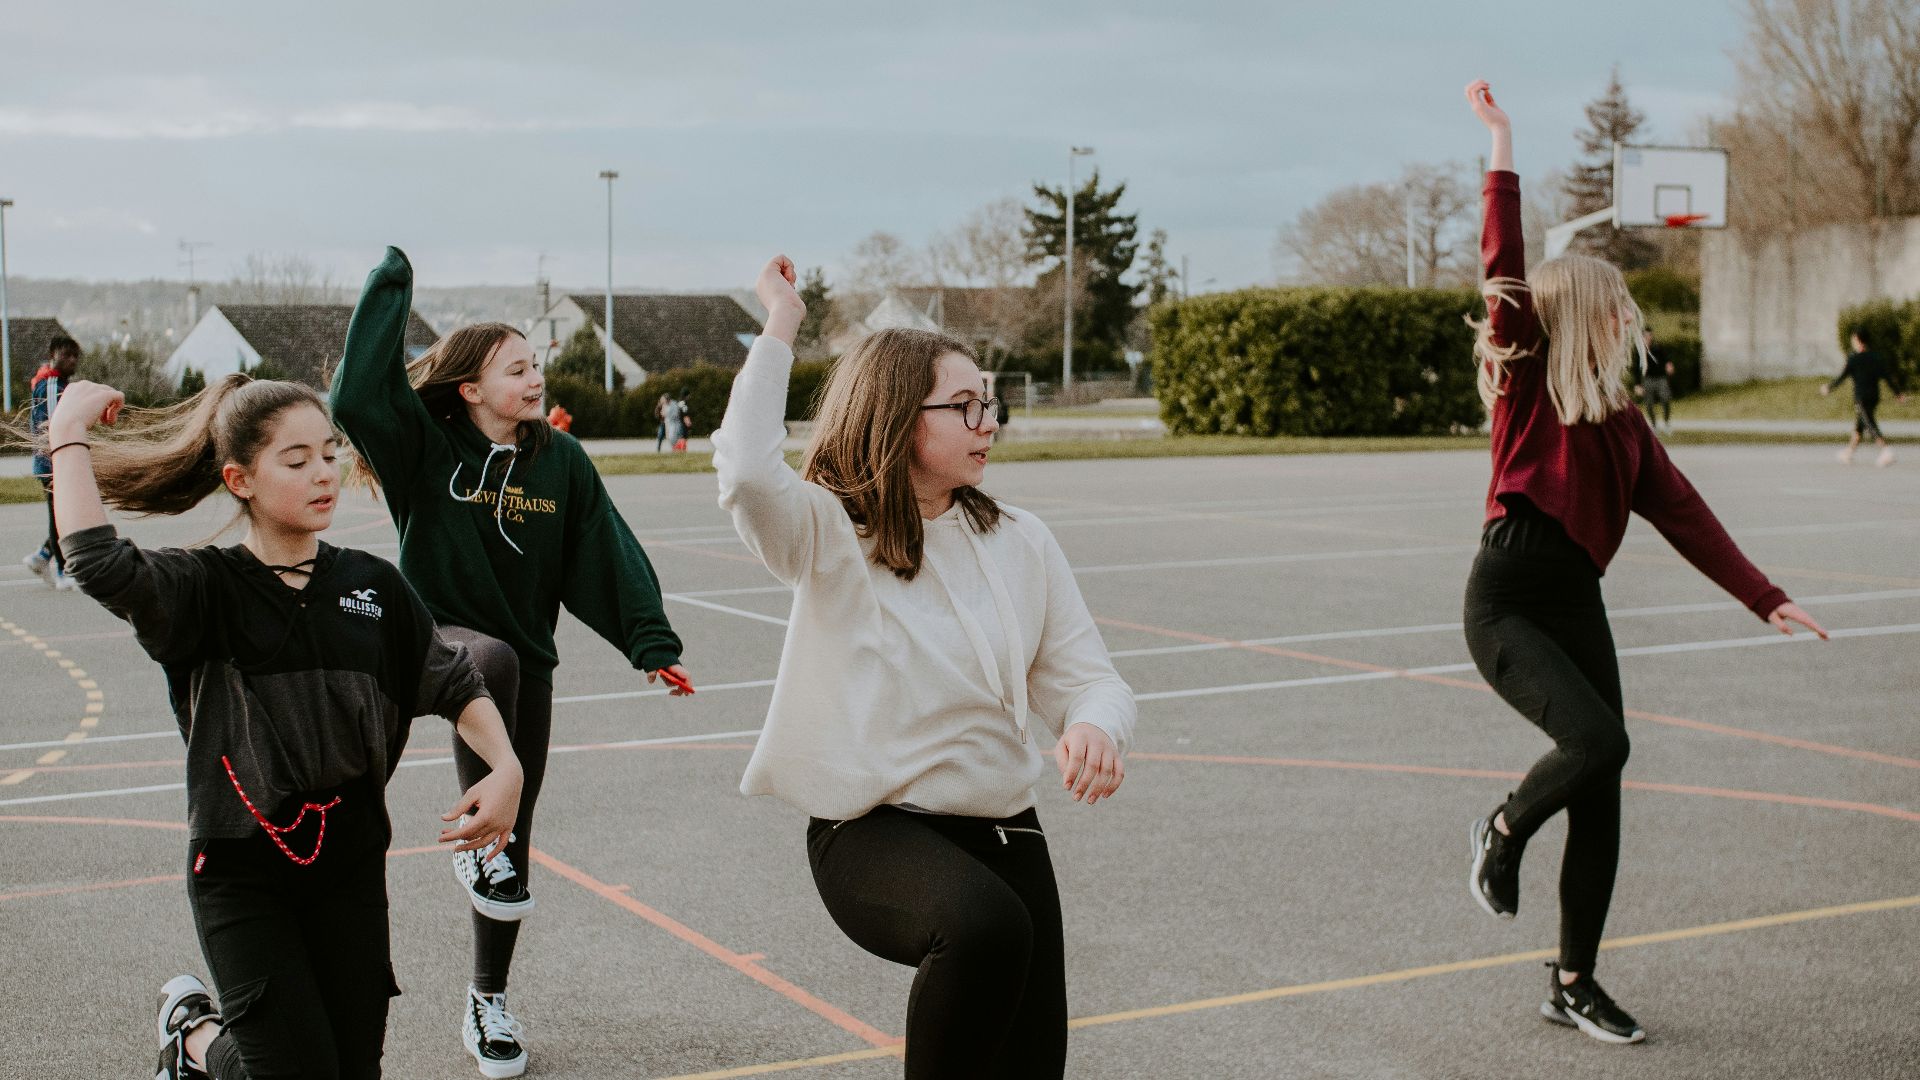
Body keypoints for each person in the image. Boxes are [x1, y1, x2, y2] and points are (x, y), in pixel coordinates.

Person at [1460, 81, 1827, 1046]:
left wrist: (1765, 595)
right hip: (1507, 601)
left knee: (1604, 789)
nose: (1631, 318)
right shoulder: (1526, 380)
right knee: (1599, 743)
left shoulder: (1625, 429)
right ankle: (1500, 832)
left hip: (1576, 599)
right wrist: (1502, 142)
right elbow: (1502, 265)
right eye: (1617, 307)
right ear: (1582, 313)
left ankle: (1572, 979)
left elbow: (1688, 516)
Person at [712, 256, 1135, 1078]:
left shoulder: (1019, 539)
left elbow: (1090, 677)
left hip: (1007, 829)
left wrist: (1093, 724)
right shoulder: (830, 533)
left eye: (991, 402)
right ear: (902, 416)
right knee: (981, 928)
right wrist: (781, 323)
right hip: (871, 831)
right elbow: (750, 473)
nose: (989, 420)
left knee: (1032, 1058)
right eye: (965, 405)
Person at [37, 374, 521, 1080]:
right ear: (240, 479)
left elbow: (454, 681)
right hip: (242, 871)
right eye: (296, 461)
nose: (323, 473)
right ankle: (198, 1039)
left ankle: (196, 1048)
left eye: (329, 453)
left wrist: (505, 767)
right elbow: (97, 563)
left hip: (350, 866)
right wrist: (69, 434)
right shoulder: (204, 589)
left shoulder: (373, 587)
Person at [329, 247, 692, 1079]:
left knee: (513, 831)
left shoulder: (559, 462)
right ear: (470, 389)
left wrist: (652, 644)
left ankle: (487, 998)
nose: (535, 380)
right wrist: (391, 286)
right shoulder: (424, 445)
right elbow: (355, 395)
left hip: (524, 661)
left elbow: (604, 549)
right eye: (517, 369)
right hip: (428, 640)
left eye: (537, 365)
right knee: (482, 658)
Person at [23, 333, 83, 589]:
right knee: (61, 516)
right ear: (52, 355)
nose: (71, 360)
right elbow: (51, 428)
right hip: (53, 464)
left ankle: (43, 556)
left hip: (59, 462)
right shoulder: (50, 385)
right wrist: (61, 460)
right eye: (66, 355)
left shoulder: (58, 384)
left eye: (75, 356)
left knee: (65, 513)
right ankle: (61, 570)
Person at [1821, 330, 1908, 466]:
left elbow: (1842, 377)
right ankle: (1849, 452)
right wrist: (1898, 394)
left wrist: (1829, 388)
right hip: (1874, 396)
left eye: (1853, 340)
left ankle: (1886, 451)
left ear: (1858, 340)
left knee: (1869, 423)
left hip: (1861, 397)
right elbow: (1888, 377)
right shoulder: (1876, 358)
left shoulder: (1854, 359)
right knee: (1860, 424)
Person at [1631, 328, 1674, 436]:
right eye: (1645, 336)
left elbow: (1666, 358)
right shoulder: (1639, 351)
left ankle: (1667, 422)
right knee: (1649, 403)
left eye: (1650, 335)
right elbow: (1636, 369)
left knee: (1665, 398)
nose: (1648, 338)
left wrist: (1669, 364)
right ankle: (1654, 425)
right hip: (1648, 379)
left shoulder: (1658, 347)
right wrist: (1637, 384)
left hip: (1660, 378)